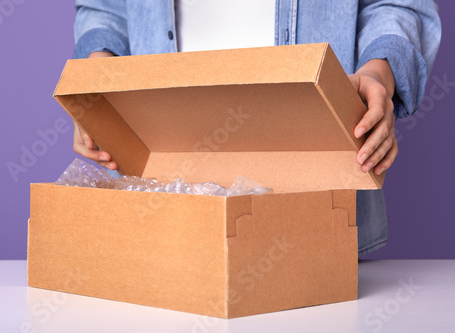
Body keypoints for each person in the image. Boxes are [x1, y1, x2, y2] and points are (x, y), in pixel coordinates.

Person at [70, 0, 441, 257]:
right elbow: (106, 8)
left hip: (320, 198)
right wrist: (98, 85)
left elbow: (398, 4)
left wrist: (377, 74)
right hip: (164, 179)